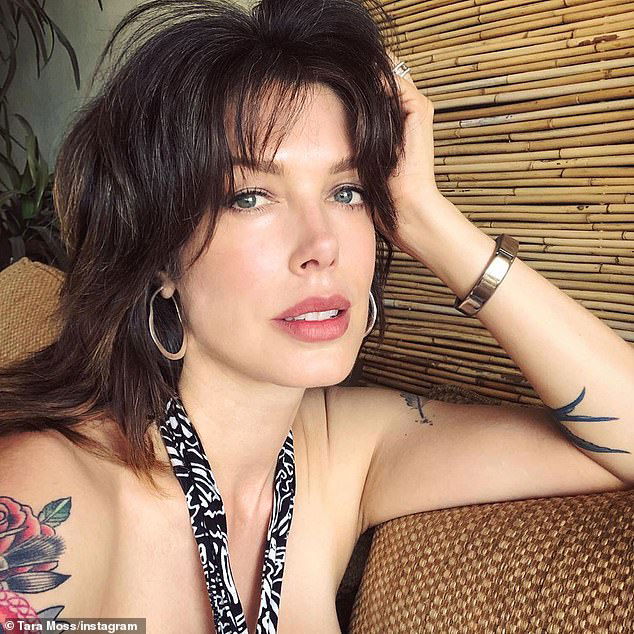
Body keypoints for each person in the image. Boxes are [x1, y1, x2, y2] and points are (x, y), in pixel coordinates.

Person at [1, 0, 632, 632]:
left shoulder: (343, 454)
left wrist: (427, 218)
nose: (322, 245)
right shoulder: (50, 498)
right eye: (250, 197)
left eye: (347, 191)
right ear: (158, 255)